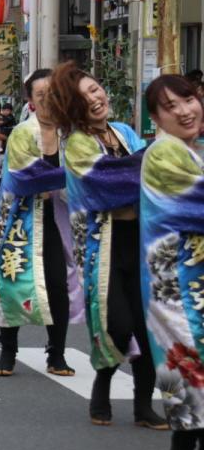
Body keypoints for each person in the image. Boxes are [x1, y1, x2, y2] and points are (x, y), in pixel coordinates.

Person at [50, 61, 167, 430]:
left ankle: (144, 406)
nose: (96, 99)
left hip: (142, 242)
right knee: (117, 324)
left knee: (149, 328)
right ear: (73, 107)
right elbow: (109, 184)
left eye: (96, 89)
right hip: (104, 247)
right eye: (85, 97)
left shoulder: (125, 133)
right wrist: (159, 151)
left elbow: (152, 178)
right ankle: (102, 384)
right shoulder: (79, 145)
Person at [0, 69, 80, 378]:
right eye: (42, 96)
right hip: (21, 220)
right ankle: (8, 350)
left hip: (56, 220)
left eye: (54, 95)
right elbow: (26, 178)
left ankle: (57, 353)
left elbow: (81, 180)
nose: (49, 101)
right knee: (13, 283)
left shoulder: (72, 135)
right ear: (30, 101)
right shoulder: (23, 134)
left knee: (58, 284)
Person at [138, 74, 204, 450]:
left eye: (189, 100)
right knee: (189, 369)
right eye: (171, 107)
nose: (184, 110)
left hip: (193, 279)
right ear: (157, 118)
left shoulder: (190, 150)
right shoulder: (164, 153)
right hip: (173, 285)